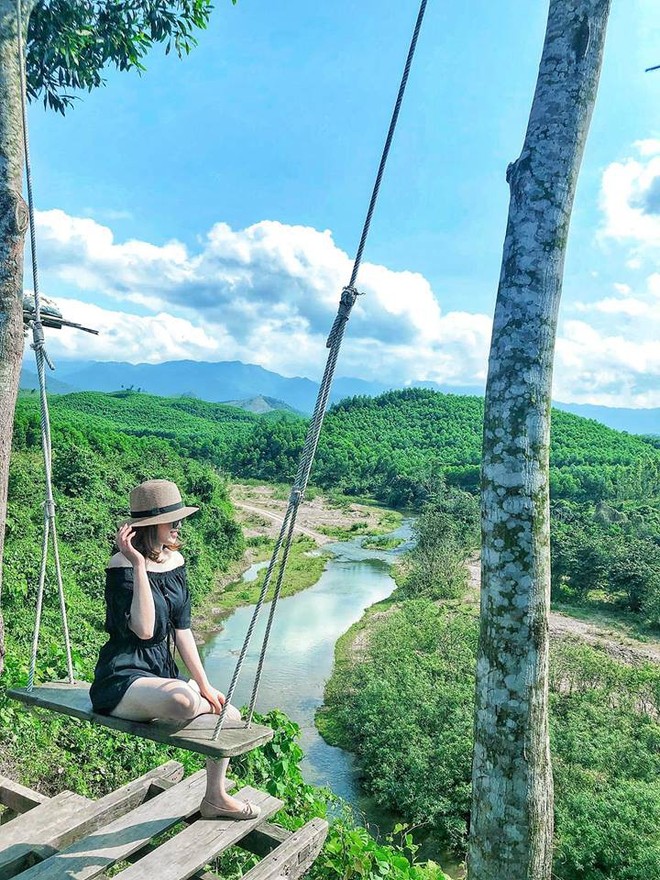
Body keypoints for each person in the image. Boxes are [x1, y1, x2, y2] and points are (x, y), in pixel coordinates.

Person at [90, 479, 259, 820]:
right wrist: (138, 565)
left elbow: (183, 632)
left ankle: (215, 797)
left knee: (229, 714)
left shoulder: (176, 561)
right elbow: (145, 629)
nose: (179, 525)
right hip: (123, 676)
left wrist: (206, 685)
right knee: (181, 700)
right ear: (151, 525)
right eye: (172, 519)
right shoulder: (121, 567)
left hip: (161, 673)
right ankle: (189, 695)